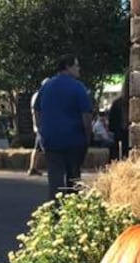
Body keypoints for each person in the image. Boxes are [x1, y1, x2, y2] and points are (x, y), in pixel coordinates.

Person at [33, 55, 93, 198]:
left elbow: (36, 109)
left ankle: (55, 209)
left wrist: (41, 128)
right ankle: (71, 208)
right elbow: (87, 115)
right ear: (67, 66)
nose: (79, 69)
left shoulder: (46, 86)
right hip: (74, 139)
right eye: (76, 65)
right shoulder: (78, 87)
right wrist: (88, 136)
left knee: (55, 178)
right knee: (73, 178)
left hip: (51, 140)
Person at [27, 78, 49, 176]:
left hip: (41, 125)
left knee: (37, 148)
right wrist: (38, 125)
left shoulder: (37, 95)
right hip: (42, 126)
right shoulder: (40, 96)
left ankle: (32, 168)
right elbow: (36, 111)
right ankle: (54, 167)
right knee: (45, 147)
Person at [108, 79, 129, 160]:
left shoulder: (117, 104)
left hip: (119, 138)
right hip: (122, 138)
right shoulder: (118, 104)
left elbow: (111, 126)